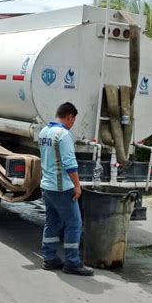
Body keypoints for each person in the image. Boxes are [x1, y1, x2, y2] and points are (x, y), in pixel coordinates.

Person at [38, 102, 94, 276]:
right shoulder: (63, 135)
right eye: (73, 120)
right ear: (69, 116)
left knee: (52, 222)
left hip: (47, 186)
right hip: (62, 188)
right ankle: (72, 262)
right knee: (74, 224)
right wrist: (77, 186)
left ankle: (49, 258)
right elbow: (70, 164)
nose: (73, 123)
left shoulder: (44, 132)